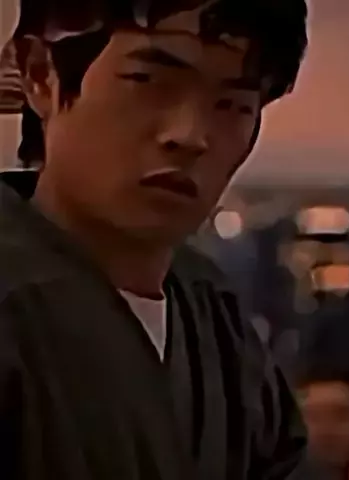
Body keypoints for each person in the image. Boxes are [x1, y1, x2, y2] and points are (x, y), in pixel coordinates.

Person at [0, 1, 308, 478]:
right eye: (147, 82)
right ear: (41, 75)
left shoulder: (221, 327)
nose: (190, 136)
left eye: (233, 105)